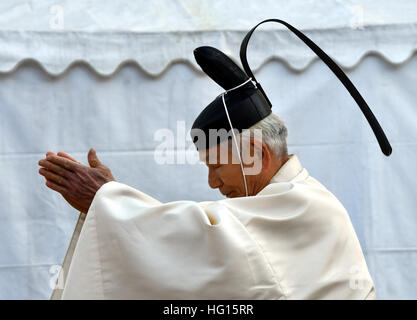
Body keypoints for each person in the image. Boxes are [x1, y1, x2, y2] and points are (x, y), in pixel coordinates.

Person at [38, 19, 392, 299]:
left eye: (216, 165)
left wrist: (110, 202)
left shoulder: (305, 206)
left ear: (256, 153)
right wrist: (111, 202)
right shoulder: (283, 203)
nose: (212, 183)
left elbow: (201, 244)